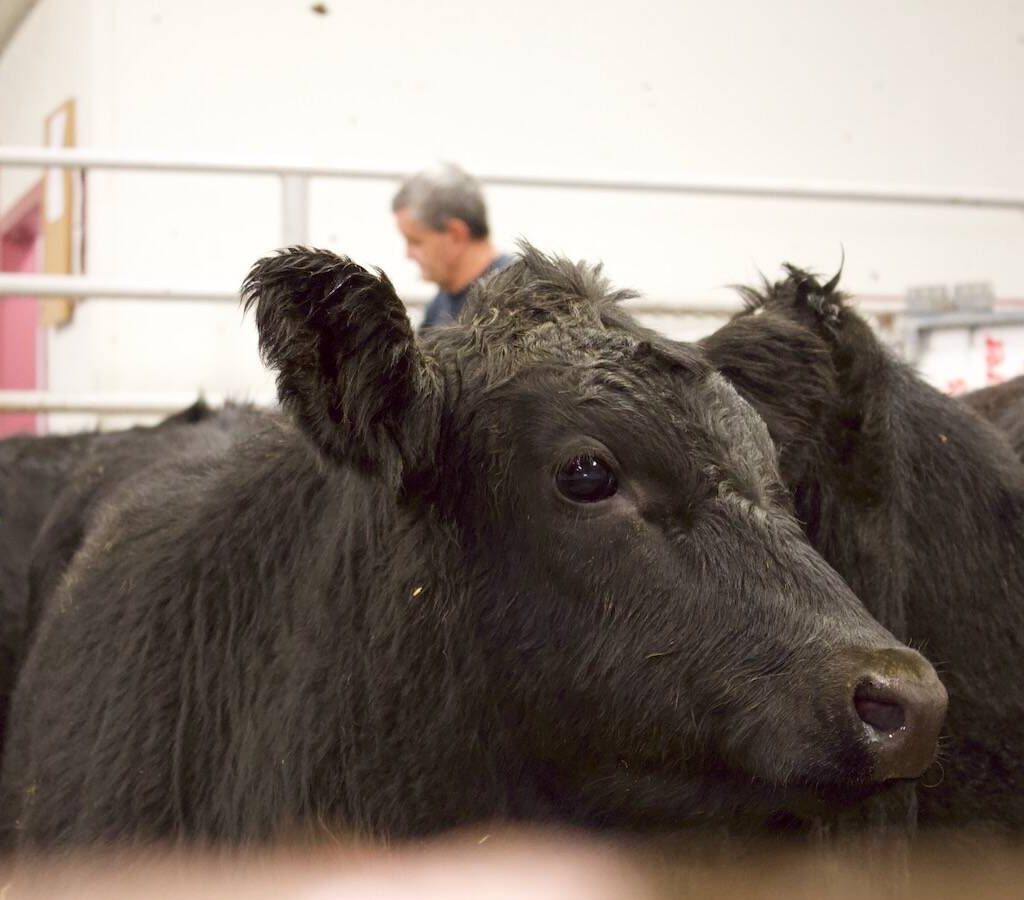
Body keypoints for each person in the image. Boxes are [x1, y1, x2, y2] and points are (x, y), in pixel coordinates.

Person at [392, 163, 513, 332]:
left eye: (415, 241)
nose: (408, 254)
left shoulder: (517, 302)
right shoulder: (440, 304)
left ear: (456, 234)